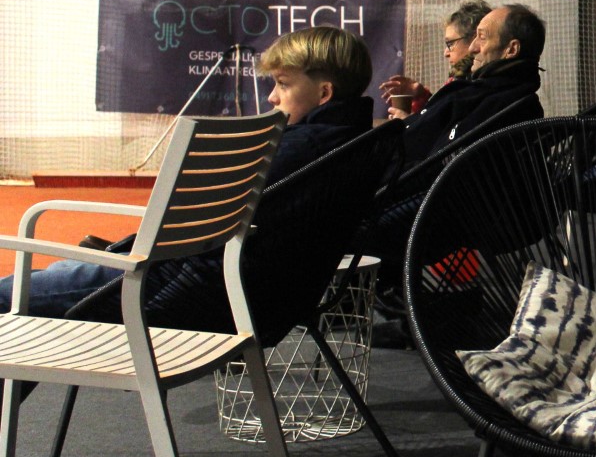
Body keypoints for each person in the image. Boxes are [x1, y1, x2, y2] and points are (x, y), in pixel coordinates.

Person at [0, 26, 376, 317]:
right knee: (29, 296)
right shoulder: (357, 144)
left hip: (169, 286)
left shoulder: (298, 148)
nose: (271, 97)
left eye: (283, 84)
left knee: (9, 296)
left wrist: (126, 252)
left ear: (324, 93)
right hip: (241, 296)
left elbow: (189, 223)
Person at [398, 2, 545, 165]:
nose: (472, 48)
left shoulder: (487, 103)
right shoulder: (523, 102)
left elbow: (434, 166)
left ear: (511, 50)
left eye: (482, 37)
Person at [378, 0, 491, 119]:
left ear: (475, 40)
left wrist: (408, 124)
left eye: (450, 44)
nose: (446, 53)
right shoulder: (462, 81)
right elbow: (441, 116)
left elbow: (445, 127)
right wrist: (422, 96)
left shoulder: (476, 87)